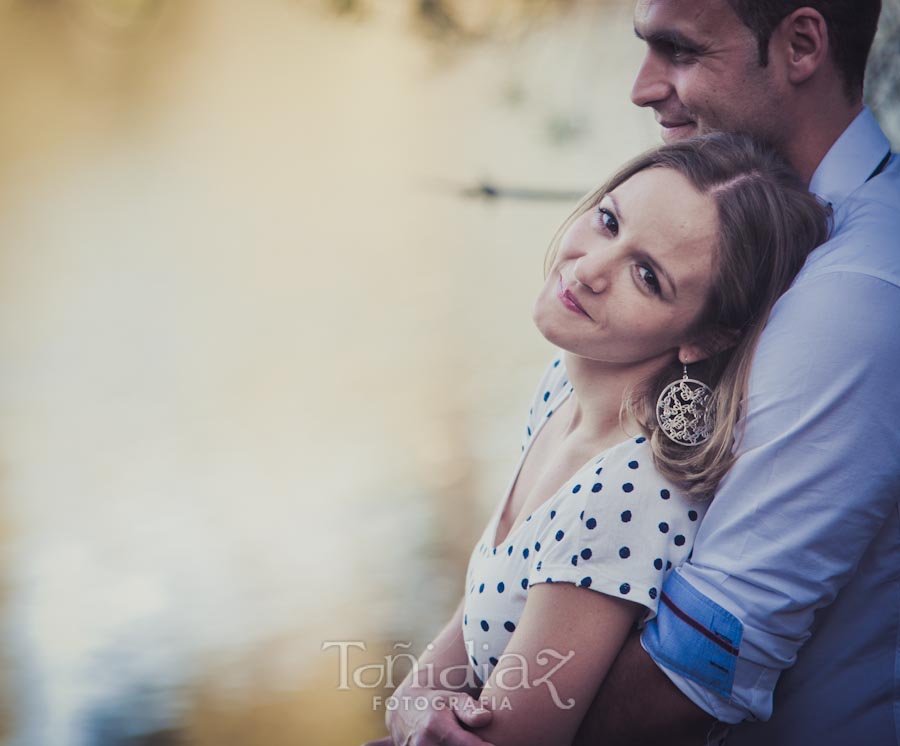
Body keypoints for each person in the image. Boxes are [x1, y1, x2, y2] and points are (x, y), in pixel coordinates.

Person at [366, 0, 900, 744]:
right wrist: (416, 707)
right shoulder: (576, 377)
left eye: (680, 51)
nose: (640, 88)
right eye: (610, 221)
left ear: (802, 44)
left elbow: (695, 673)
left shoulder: (863, 295)